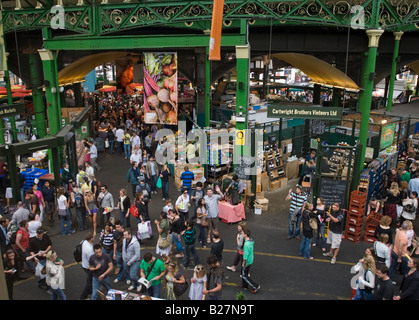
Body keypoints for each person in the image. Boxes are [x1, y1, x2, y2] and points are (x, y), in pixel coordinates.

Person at [122, 228, 142, 292]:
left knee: (133, 275)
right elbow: (123, 249)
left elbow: (137, 255)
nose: (124, 236)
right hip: (126, 260)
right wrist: (124, 257)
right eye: (124, 235)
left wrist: (130, 261)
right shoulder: (124, 240)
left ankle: (139, 284)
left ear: (129, 234)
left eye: (125, 235)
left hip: (135, 261)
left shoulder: (135, 243)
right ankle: (133, 284)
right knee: (129, 273)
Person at [241, 229, 260, 294]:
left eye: (243, 233)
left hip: (247, 261)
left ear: (245, 235)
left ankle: (255, 285)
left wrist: (243, 263)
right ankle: (245, 285)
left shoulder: (246, 245)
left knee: (244, 275)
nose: (242, 234)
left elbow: (245, 256)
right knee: (245, 273)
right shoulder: (251, 241)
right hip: (251, 259)